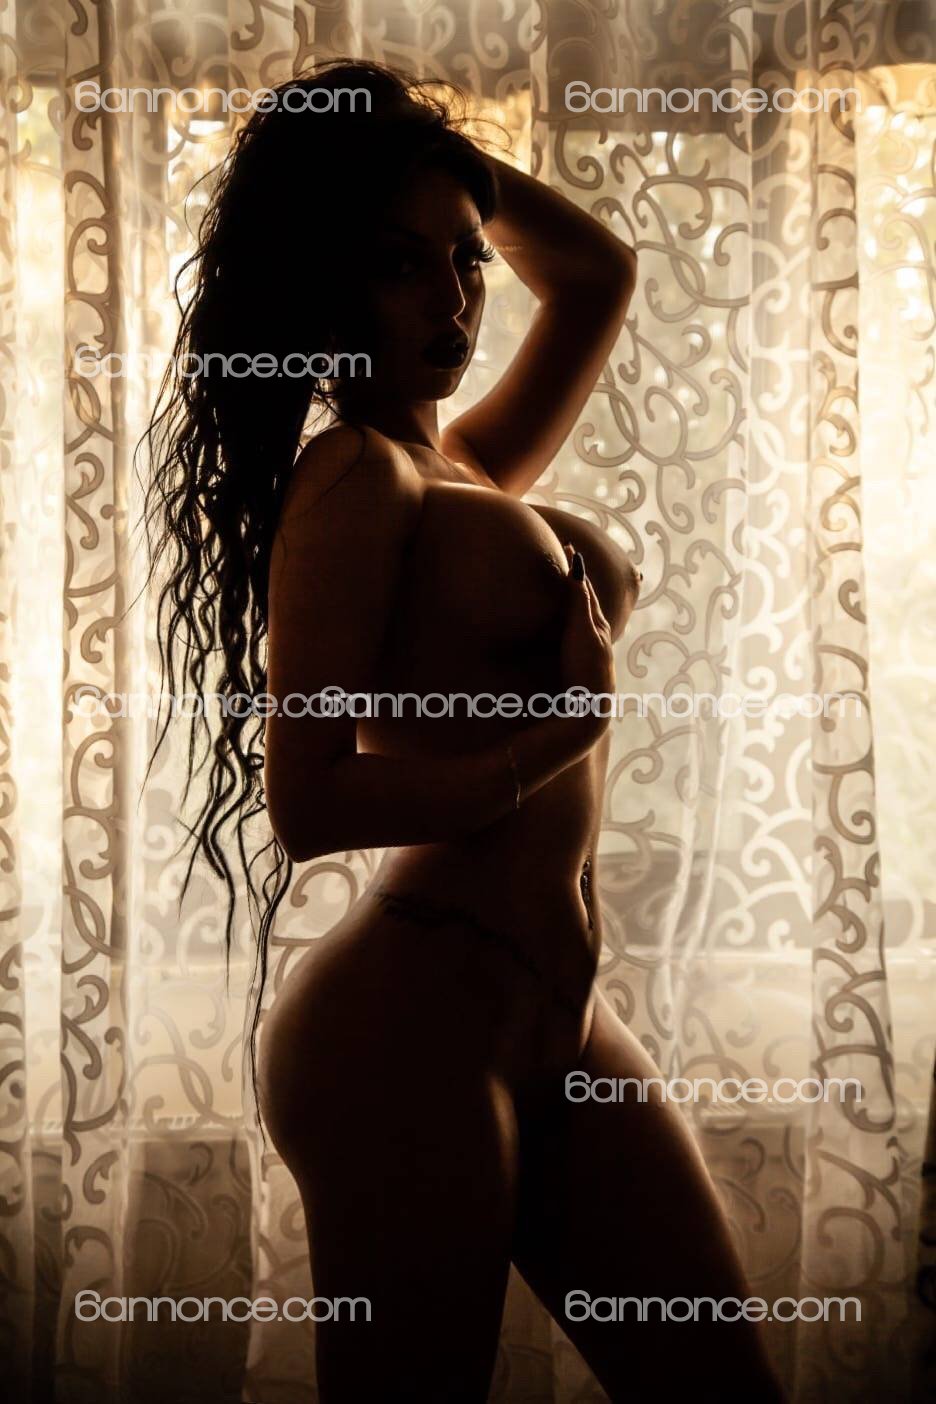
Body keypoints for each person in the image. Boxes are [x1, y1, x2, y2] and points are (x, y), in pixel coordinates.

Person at [142, 57, 785, 1403]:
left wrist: (441, 161)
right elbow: (309, 801)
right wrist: (559, 735)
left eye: (464, 260)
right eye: (398, 265)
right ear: (324, 284)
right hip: (409, 1032)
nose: (451, 301)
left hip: (554, 1018)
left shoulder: (465, 463)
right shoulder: (353, 477)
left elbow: (598, 274)